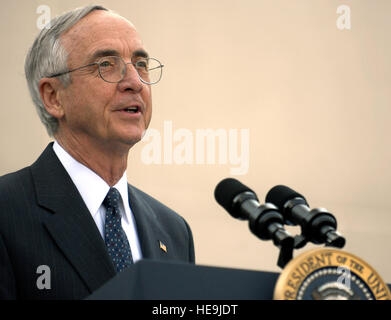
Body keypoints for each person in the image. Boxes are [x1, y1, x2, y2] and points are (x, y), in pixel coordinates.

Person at [0, 5, 195, 300]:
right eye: (106, 64)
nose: (135, 83)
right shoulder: (7, 210)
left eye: (141, 64)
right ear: (53, 97)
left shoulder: (173, 230)